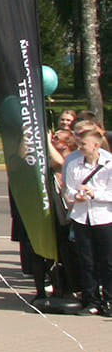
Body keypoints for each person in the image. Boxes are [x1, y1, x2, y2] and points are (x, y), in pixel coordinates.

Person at [62, 125, 112, 315]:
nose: (80, 147)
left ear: (96, 145)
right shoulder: (75, 165)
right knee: (86, 260)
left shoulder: (108, 165)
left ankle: (109, 299)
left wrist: (93, 194)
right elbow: (69, 190)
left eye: (84, 144)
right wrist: (78, 195)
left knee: (107, 261)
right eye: (79, 143)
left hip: (104, 218)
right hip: (82, 218)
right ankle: (91, 300)